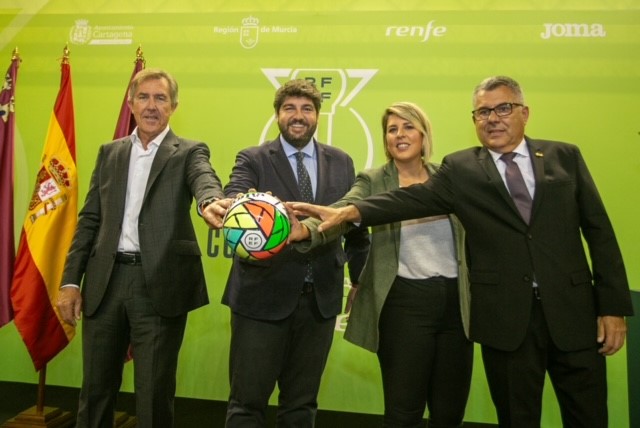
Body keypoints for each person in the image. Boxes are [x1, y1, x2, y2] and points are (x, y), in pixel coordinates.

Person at [288, 76, 634, 428]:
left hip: (573, 315)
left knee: (589, 416)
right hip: (507, 323)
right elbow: (405, 200)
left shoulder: (565, 156)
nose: (493, 118)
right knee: (516, 418)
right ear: (474, 121)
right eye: (483, 112)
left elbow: (599, 232)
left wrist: (612, 307)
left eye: (503, 108)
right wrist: (344, 214)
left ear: (524, 113)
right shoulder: (463, 169)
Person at [56, 68, 226, 428]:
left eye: (160, 98)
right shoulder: (109, 153)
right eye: (144, 97)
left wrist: (210, 201)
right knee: (95, 390)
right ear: (130, 103)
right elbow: (89, 220)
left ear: (174, 106)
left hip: (159, 285)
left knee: (154, 393)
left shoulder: (189, 151)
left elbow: (204, 179)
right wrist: (71, 281)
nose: (152, 106)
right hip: (105, 284)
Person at [289, 101, 473, 428]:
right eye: (392, 129)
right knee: (404, 412)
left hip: (456, 304)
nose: (400, 135)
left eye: (408, 127)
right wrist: (307, 229)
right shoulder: (373, 180)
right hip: (404, 303)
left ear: (423, 134)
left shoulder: (448, 177)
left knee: (450, 411)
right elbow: (344, 212)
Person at [203, 78, 369, 428]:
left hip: (320, 302)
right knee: (247, 404)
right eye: (289, 108)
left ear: (317, 116)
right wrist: (234, 204)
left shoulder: (341, 162)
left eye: (306, 109)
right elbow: (236, 194)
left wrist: (359, 280)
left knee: (302, 405)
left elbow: (355, 228)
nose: (298, 116)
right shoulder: (254, 158)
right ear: (278, 115)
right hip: (261, 299)